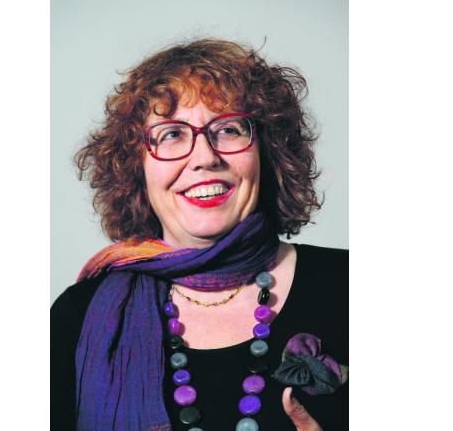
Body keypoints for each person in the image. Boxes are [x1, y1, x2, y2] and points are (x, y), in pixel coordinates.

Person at [51, 39, 347, 431]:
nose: (205, 157)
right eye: (171, 134)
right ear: (135, 166)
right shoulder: (76, 317)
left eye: (228, 129)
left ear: (267, 152)